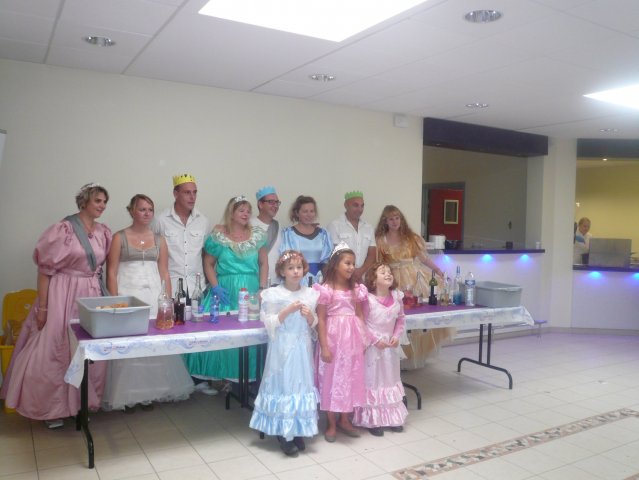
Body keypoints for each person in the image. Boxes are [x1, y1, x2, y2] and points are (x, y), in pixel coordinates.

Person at [0, 183, 111, 429]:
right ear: (84, 202)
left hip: (90, 293)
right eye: (97, 201)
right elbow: (45, 271)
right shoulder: (64, 230)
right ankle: (52, 408)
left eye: (104, 201)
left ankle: (80, 404)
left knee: (86, 350)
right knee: (55, 348)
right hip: (63, 293)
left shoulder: (103, 232)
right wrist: (43, 307)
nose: (102, 206)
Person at [103, 194, 194, 412]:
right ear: (131, 211)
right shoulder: (119, 237)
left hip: (154, 295)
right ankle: (128, 395)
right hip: (128, 295)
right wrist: (115, 302)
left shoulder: (160, 240)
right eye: (142, 209)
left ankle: (153, 393)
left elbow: (164, 272)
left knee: (155, 343)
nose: (147, 213)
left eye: (150, 210)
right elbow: (111, 272)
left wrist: (168, 302)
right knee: (130, 344)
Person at [185, 196, 268, 381]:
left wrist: (262, 288)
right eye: (241, 210)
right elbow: (208, 263)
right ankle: (222, 377)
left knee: (249, 332)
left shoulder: (257, 236)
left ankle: (246, 379)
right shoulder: (219, 237)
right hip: (226, 291)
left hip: (250, 290)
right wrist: (215, 287)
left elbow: (264, 263)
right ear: (231, 213)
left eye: (248, 211)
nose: (246, 214)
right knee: (221, 332)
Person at [249, 250, 320, 457]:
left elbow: (314, 324)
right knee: (285, 386)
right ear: (282, 271)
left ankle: (297, 429)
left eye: (299, 267)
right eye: (291, 268)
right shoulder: (273, 294)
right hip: (282, 347)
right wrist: (287, 311)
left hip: (302, 348)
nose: (296, 271)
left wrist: (309, 316)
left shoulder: (310, 294)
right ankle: (284, 433)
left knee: (300, 385)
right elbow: (269, 322)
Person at [374, 205, 451, 369]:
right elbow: (378, 263)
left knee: (419, 317)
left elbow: (423, 258)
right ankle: (397, 357)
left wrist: (437, 270)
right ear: (385, 221)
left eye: (397, 218)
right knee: (397, 319)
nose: (394, 222)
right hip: (393, 280)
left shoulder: (410, 238)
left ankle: (414, 356)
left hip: (414, 279)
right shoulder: (381, 240)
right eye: (391, 219)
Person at [314, 243, 368, 442]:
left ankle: (344, 419)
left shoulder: (356, 289)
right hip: (332, 339)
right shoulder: (325, 289)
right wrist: (324, 346)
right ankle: (331, 422)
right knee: (331, 378)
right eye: (347, 263)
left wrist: (362, 339)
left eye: (353, 263)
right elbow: (321, 319)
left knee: (348, 377)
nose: (352, 267)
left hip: (351, 340)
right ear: (336, 264)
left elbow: (359, 315)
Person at [352, 262, 408, 436]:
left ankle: (392, 417)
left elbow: (401, 319)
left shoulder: (397, 296)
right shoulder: (368, 299)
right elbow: (361, 322)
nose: (388, 274)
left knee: (389, 380)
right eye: (383, 272)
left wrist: (397, 336)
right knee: (373, 381)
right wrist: (375, 340)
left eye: (389, 272)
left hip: (390, 347)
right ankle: (372, 419)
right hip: (372, 348)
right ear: (373, 280)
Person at [152, 174, 210, 294]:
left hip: (197, 288)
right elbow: (152, 254)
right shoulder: (160, 220)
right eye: (187, 192)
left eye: (194, 192)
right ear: (176, 194)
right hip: (170, 287)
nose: (192, 197)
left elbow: (205, 254)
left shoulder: (203, 221)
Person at [279, 195, 332, 285]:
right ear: (297, 213)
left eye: (312, 211)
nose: (309, 215)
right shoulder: (288, 234)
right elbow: (286, 259)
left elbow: (327, 260)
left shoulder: (323, 234)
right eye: (305, 211)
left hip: (320, 280)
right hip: (296, 280)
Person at [326, 191, 376, 282]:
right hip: (341, 278)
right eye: (355, 205)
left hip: (363, 278)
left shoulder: (369, 227)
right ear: (346, 205)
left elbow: (372, 254)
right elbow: (336, 254)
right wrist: (351, 271)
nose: (359, 209)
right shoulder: (334, 225)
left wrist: (361, 271)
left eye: (362, 206)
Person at [253, 186, 283, 285]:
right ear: (260, 204)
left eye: (277, 202)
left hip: (276, 282)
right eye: (271, 202)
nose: (275, 205)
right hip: (254, 281)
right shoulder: (249, 225)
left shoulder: (279, 226)